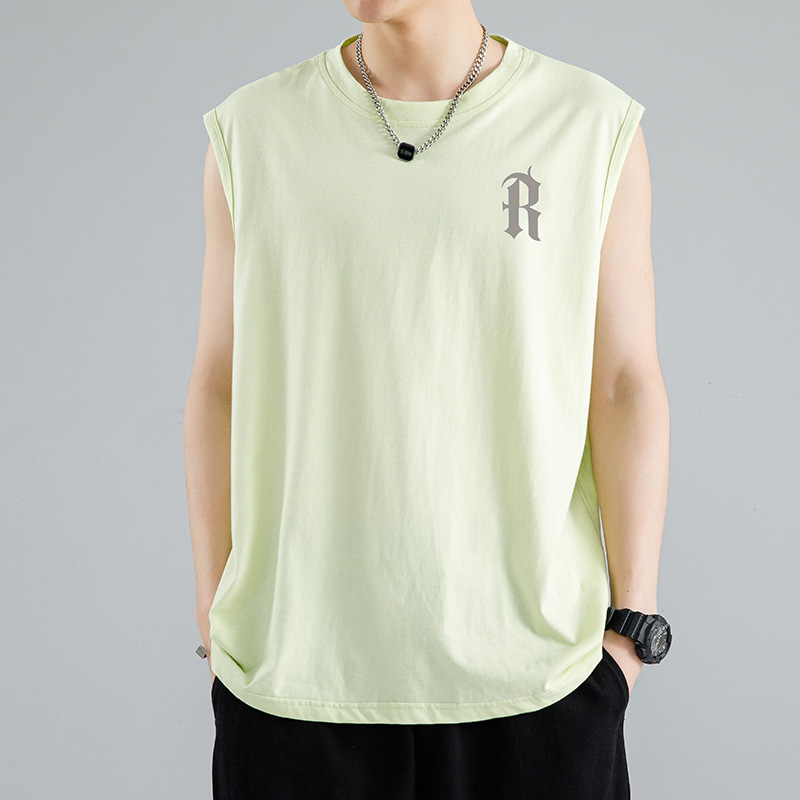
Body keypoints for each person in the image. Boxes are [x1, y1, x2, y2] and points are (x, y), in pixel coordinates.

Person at [184, 0, 671, 797]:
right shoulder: (253, 129)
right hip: (293, 683)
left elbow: (623, 384)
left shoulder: (587, 122)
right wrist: (214, 618)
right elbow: (218, 384)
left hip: (538, 684)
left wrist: (632, 629)